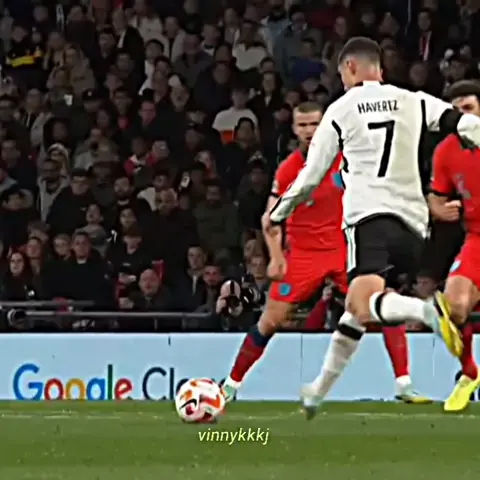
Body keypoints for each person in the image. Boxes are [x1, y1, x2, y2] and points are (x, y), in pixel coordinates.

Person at [265, 37, 480, 419]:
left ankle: (429, 312)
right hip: (414, 228)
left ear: (350, 68)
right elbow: (466, 124)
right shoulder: (413, 99)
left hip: (370, 220)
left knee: (362, 303)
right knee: (357, 311)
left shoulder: (341, 109)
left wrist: (280, 212)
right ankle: (318, 391)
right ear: (379, 67)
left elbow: (311, 175)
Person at [222, 101, 430, 404]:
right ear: (294, 129)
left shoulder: (348, 160)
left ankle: (403, 383)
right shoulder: (289, 170)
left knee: (383, 306)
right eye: (303, 125)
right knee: (270, 320)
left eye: (315, 124)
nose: (309, 131)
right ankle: (230, 385)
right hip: (303, 254)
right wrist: (276, 257)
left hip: (345, 250)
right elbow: (271, 218)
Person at [429, 79, 480, 412]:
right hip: (477, 238)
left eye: (469, 108)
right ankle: (470, 372)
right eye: (457, 111)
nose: (464, 117)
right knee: (454, 307)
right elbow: (436, 196)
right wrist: (438, 209)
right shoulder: (446, 150)